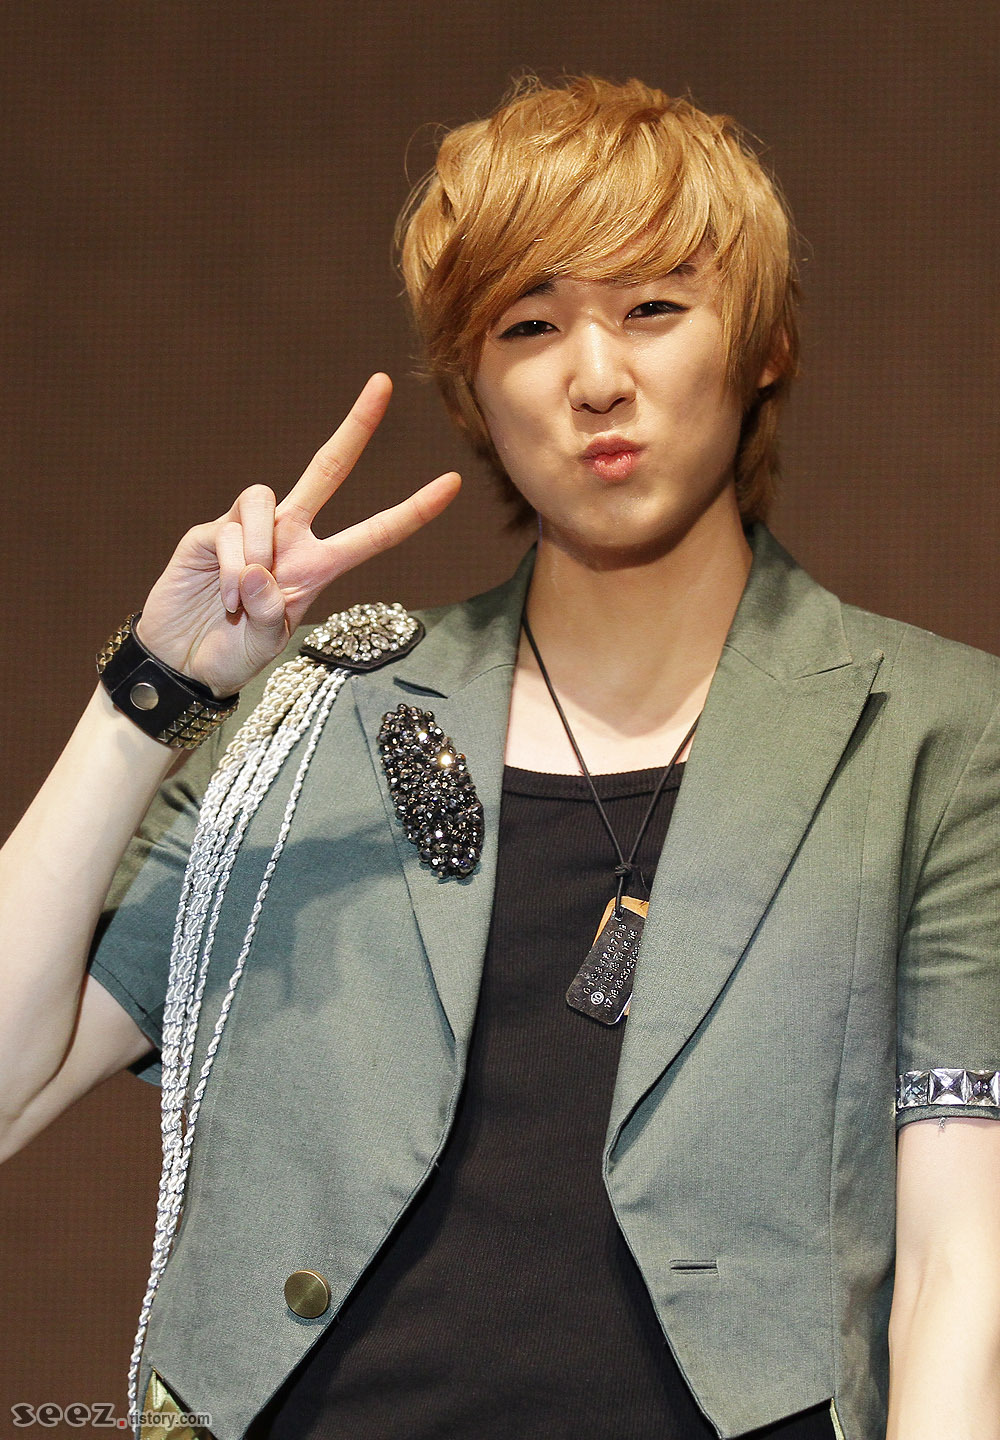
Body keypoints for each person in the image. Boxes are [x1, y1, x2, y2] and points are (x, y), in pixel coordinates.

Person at [1, 74, 998, 1440]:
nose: (596, 379)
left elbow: (958, 1270)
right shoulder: (323, 718)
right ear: (473, 385)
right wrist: (149, 697)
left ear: (766, 342)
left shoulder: (932, 734)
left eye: (655, 308)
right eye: (529, 325)